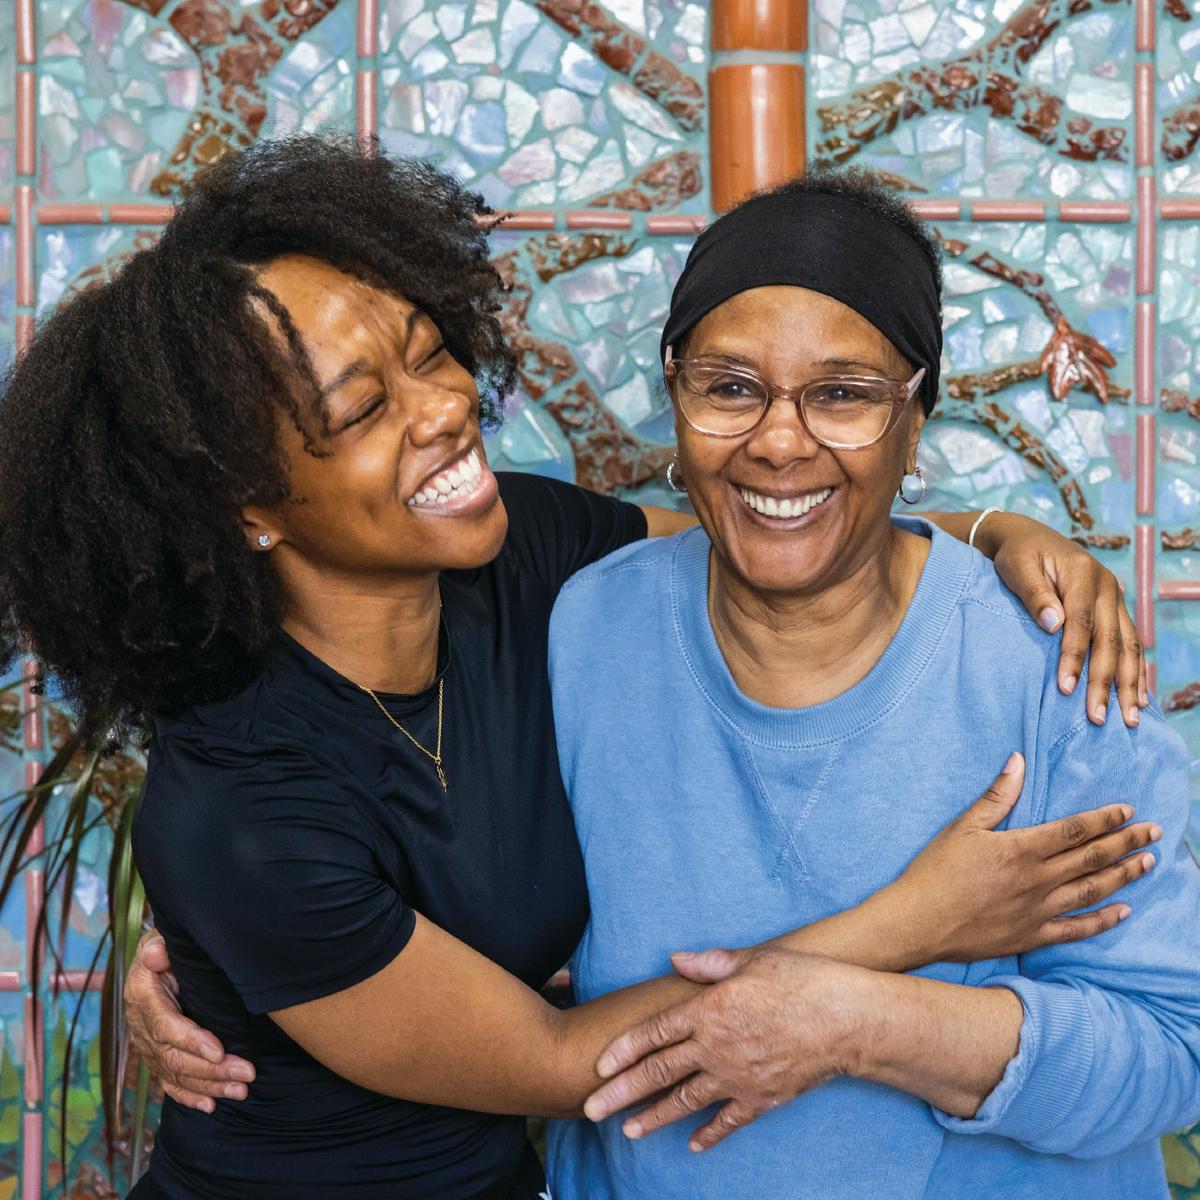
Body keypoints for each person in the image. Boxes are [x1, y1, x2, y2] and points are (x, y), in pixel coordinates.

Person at [0, 136, 1151, 1200]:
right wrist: (919, 919)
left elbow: (781, 527)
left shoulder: (519, 557)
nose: (446, 409)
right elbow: (565, 1063)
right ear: (248, 509)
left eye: (431, 352)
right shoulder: (241, 811)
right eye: (363, 409)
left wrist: (1003, 532)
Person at [539, 171, 1200, 1198]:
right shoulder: (585, 631)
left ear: (917, 415)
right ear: (675, 393)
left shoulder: (1054, 660)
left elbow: (1174, 1053)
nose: (779, 440)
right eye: (728, 386)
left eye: (843, 394)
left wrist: (852, 1025)